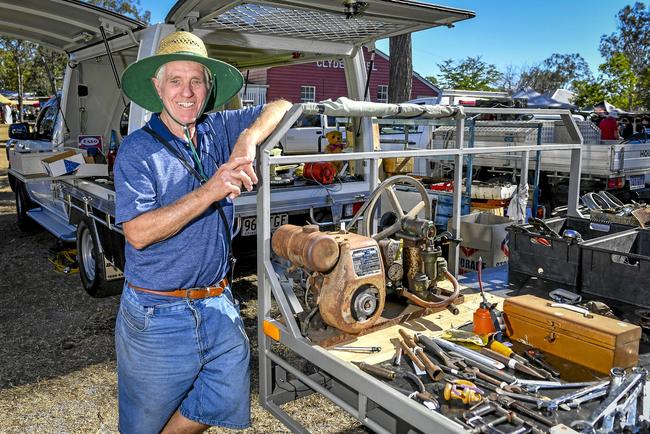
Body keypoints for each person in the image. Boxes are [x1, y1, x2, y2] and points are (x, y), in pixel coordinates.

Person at [114, 31, 291, 434]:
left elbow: (283, 104)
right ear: (157, 88)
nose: (187, 92)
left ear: (209, 87)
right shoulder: (138, 150)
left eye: (197, 80)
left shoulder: (216, 130)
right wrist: (213, 188)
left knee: (225, 391)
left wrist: (247, 140)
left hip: (218, 302)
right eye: (175, 81)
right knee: (144, 424)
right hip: (158, 313)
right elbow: (138, 233)